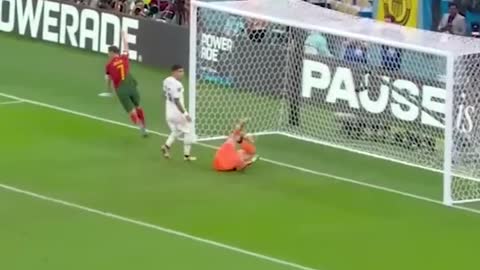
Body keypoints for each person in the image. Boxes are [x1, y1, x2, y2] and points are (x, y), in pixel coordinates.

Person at [105, 31, 147, 137]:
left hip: (121, 89)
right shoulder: (124, 58)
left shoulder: (109, 65)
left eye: (108, 52)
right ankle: (144, 127)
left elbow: (108, 79)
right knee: (138, 107)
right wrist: (124, 36)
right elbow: (126, 47)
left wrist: (109, 90)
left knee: (131, 111)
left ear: (111, 52)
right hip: (131, 85)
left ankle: (140, 127)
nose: (108, 54)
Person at [161, 65, 196, 161]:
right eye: (180, 71)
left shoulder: (166, 80)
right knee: (188, 129)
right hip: (177, 113)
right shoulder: (178, 84)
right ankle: (187, 156)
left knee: (177, 130)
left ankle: (166, 146)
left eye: (182, 71)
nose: (182, 73)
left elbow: (164, 94)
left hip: (169, 112)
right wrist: (185, 114)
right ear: (174, 72)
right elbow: (176, 101)